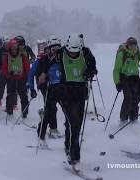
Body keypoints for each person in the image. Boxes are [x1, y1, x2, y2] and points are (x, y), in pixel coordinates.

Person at [38, 34, 97, 167]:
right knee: (72, 122)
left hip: (81, 91)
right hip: (66, 90)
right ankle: (73, 155)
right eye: (71, 51)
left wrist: (90, 71)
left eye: (76, 52)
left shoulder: (86, 53)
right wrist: (43, 74)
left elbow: (93, 66)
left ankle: (68, 146)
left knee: (77, 124)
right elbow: (45, 63)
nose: (73, 53)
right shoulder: (60, 54)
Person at [32, 37, 62, 140]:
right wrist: (44, 79)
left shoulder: (62, 58)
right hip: (47, 87)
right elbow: (39, 75)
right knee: (51, 108)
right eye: (53, 49)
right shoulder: (43, 60)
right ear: (48, 49)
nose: (56, 51)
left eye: (58, 48)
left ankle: (71, 130)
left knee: (67, 108)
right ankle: (52, 129)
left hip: (60, 86)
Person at [113, 37, 140, 124]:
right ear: (127, 45)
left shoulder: (137, 53)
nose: (133, 46)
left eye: (134, 45)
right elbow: (116, 69)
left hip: (135, 78)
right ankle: (123, 119)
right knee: (128, 97)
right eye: (131, 45)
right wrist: (117, 83)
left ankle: (134, 118)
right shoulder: (122, 54)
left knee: (136, 98)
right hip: (124, 78)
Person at [1, 39, 30, 120]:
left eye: (15, 48)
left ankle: (25, 113)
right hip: (11, 79)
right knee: (10, 95)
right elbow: (4, 68)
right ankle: (9, 112)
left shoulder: (22, 55)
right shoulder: (7, 57)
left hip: (21, 78)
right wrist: (8, 74)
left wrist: (27, 78)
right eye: (12, 48)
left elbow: (27, 67)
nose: (14, 50)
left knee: (23, 96)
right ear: (10, 48)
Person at [0, 37, 10, 107]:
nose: (7, 45)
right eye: (6, 44)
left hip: (11, 71)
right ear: (3, 44)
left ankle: (12, 102)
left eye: (8, 44)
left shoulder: (12, 50)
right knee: (1, 86)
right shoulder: (0, 51)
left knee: (11, 88)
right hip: (3, 71)